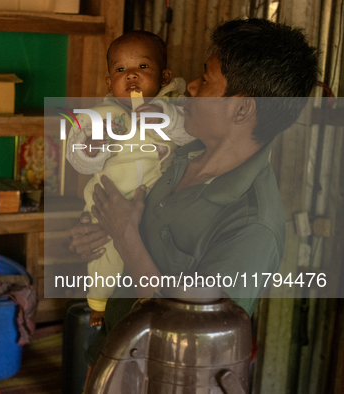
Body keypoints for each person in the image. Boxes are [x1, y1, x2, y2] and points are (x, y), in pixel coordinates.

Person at [67, 18, 320, 369]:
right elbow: (122, 215)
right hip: (109, 356)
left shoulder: (253, 227)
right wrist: (97, 231)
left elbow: (193, 335)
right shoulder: (174, 155)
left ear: (242, 107)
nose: (192, 87)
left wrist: (125, 237)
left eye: (207, 79)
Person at [65, 30, 194, 327]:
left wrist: (165, 117)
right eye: (121, 70)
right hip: (108, 201)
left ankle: (142, 311)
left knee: (146, 252)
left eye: (143, 68)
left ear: (164, 77)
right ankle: (98, 304)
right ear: (109, 82)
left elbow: (189, 132)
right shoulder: (99, 117)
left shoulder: (173, 107)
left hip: (154, 200)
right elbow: (78, 159)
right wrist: (90, 147)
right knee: (103, 255)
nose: (132, 77)